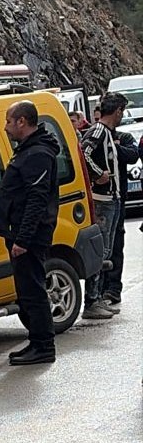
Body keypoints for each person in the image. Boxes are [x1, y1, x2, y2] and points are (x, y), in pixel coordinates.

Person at [0, 100, 59, 366]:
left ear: (22, 121)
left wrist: (23, 239)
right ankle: (36, 341)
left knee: (33, 290)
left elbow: (36, 199)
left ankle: (44, 346)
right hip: (20, 233)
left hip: (29, 237)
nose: (6, 127)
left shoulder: (38, 154)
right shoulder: (28, 151)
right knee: (26, 291)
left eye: (9, 122)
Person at [79, 92, 127, 320]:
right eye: (122, 111)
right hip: (103, 200)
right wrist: (98, 175)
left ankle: (96, 298)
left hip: (112, 199)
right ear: (117, 111)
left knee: (106, 251)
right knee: (100, 251)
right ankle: (92, 300)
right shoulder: (98, 131)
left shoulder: (106, 133)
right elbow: (83, 152)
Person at [102, 128, 138, 310]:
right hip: (100, 199)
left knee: (116, 242)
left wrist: (116, 148)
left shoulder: (124, 137)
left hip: (118, 198)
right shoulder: (95, 135)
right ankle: (100, 290)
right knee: (102, 246)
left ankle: (113, 288)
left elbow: (134, 155)